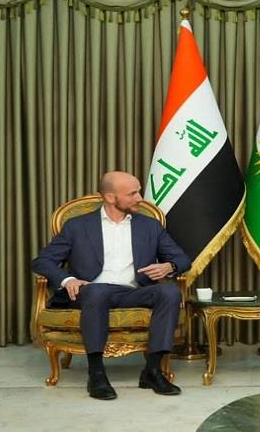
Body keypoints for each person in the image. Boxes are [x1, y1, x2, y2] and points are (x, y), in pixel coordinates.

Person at [32, 171, 191, 400]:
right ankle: (96, 374)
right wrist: (69, 280)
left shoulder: (149, 226)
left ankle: (153, 371)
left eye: (138, 192)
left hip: (134, 292)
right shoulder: (77, 226)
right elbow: (42, 261)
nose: (140, 198)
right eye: (132, 194)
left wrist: (169, 266)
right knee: (97, 292)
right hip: (91, 292)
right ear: (109, 197)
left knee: (169, 291)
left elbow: (183, 259)